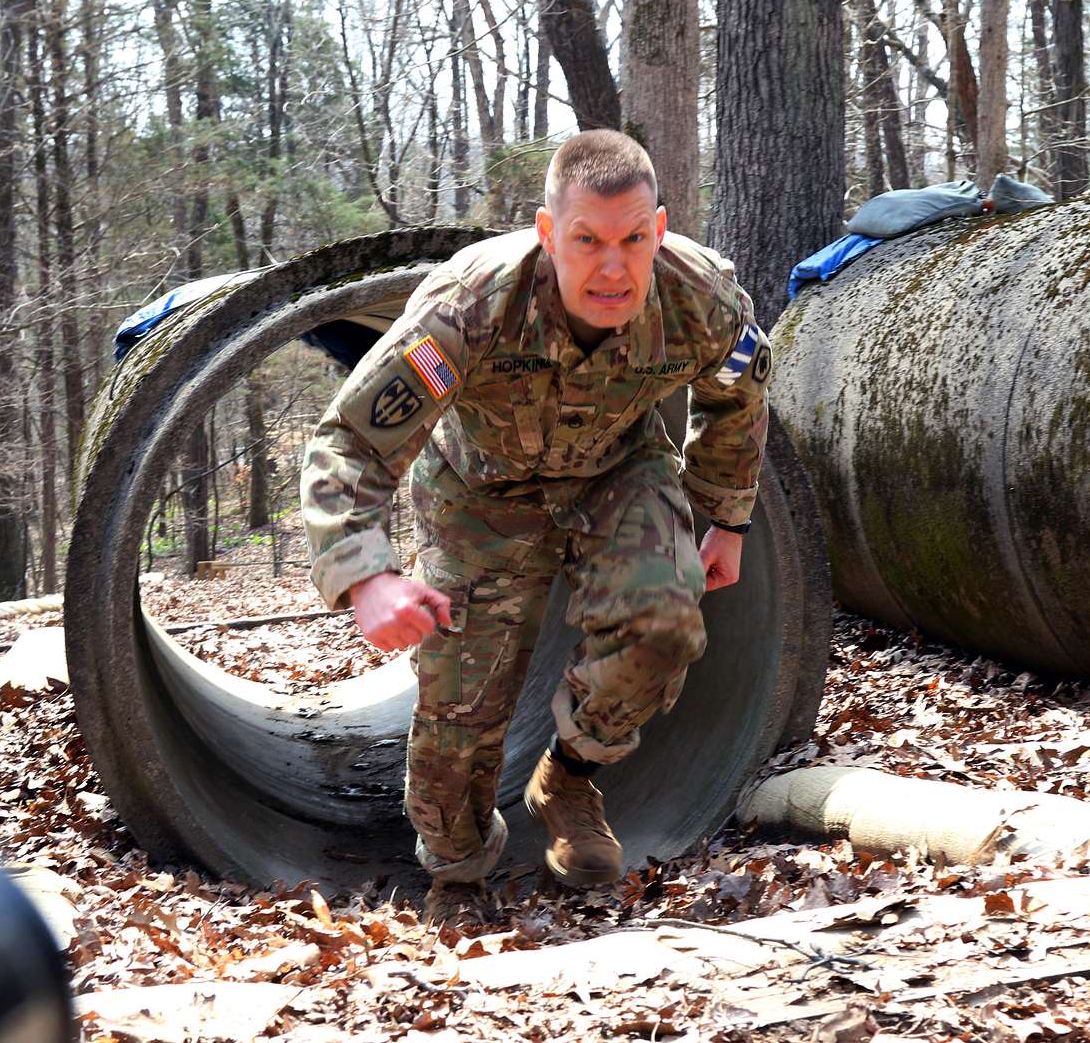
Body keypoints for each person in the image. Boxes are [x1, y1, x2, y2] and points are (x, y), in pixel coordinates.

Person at [300, 130, 771, 927]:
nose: (613, 267)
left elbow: (741, 394)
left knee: (665, 617)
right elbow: (351, 441)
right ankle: (458, 869)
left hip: (617, 472)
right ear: (549, 233)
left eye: (632, 240)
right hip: (480, 494)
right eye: (586, 240)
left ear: (658, 229)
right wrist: (366, 573)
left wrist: (726, 517)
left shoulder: (702, 299)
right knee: (462, 723)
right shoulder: (471, 308)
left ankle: (571, 773)